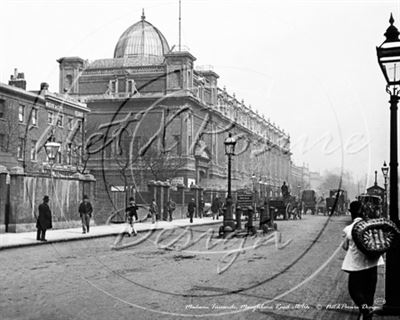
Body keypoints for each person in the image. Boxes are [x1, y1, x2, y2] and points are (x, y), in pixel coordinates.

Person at [342, 201, 384, 320]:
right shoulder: (371, 225)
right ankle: (367, 314)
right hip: (373, 264)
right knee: (369, 294)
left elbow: (345, 247)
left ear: (352, 213)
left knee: (354, 291)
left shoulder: (349, 228)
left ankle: (365, 311)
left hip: (357, 266)